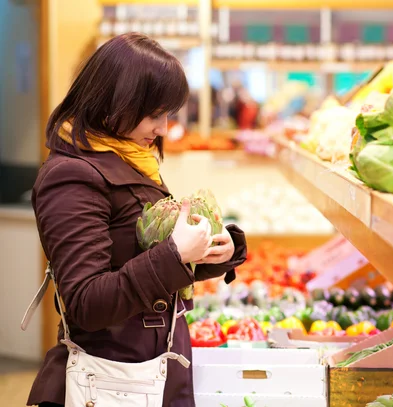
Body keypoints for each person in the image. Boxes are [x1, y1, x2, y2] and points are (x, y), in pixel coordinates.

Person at [27, 33, 247, 407]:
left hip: (151, 368)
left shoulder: (128, 155)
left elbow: (138, 259)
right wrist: (176, 253)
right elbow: (86, 302)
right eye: (155, 115)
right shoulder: (71, 176)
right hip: (115, 378)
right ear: (116, 104)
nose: (163, 128)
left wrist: (218, 250)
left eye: (168, 114)